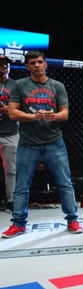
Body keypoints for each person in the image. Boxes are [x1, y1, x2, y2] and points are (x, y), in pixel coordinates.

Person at [2, 51, 83, 238]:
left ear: (46, 64)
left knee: (65, 183)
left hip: (54, 142)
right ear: (27, 66)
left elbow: (65, 113)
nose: (37, 65)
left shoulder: (57, 86)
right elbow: (13, 113)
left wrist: (52, 115)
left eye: (40, 62)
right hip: (28, 143)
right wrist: (34, 116)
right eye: (33, 63)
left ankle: (73, 219)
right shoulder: (20, 86)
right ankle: (19, 224)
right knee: (21, 185)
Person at [0, 55, 18, 212]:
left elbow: (23, 108)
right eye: (0, 64)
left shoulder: (16, 85)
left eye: (6, 64)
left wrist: (8, 110)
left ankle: (11, 200)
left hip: (10, 132)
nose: (4, 67)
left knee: (11, 169)